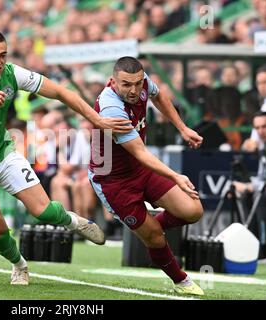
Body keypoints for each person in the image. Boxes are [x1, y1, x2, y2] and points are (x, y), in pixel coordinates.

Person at [0, 30, 132, 286]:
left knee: (42, 210)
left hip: (4, 155)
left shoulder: (12, 73)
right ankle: (19, 265)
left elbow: (61, 92)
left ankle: (74, 221)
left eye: (2, 55)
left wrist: (95, 118)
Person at [88, 56, 205, 296]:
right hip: (113, 180)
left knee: (193, 210)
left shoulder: (140, 82)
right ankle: (181, 280)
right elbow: (140, 152)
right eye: (126, 85)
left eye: (138, 84)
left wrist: (182, 128)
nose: (133, 90)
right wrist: (175, 176)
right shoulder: (112, 108)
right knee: (155, 238)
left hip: (140, 169)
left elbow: (159, 95)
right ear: (113, 82)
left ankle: (150, 228)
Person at [233, 111, 266, 258]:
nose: (261, 131)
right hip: (261, 188)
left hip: (265, 192)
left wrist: (250, 186)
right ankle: (251, 247)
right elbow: (261, 176)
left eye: (265, 127)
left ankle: (264, 251)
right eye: (257, 128)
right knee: (243, 194)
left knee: (261, 195)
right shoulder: (261, 147)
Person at [242, 65, 266, 152]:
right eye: (259, 83)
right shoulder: (265, 104)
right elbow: (255, 142)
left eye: (265, 82)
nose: (261, 86)